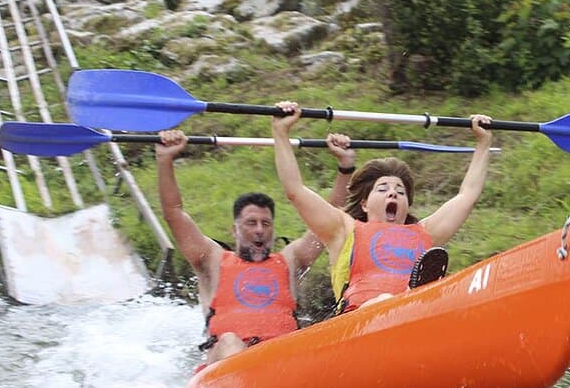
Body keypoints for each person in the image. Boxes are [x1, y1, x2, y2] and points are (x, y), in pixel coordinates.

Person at [271, 101, 493, 314]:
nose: (393, 193)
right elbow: (295, 190)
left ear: (406, 205)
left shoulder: (426, 233)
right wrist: (280, 132)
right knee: (386, 300)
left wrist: (483, 143)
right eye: (383, 188)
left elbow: (467, 196)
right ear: (365, 204)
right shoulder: (343, 230)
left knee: (426, 300)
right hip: (357, 319)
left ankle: (416, 298)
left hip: (413, 315)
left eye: (400, 191)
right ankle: (410, 297)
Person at [156, 129, 354, 366]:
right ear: (235, 230)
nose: (260, 230)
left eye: (266, 224)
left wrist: (345, 167)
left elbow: (330, 215)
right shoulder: (211, 259)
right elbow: (174, 214)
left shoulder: (292, 260)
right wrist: (165, 160)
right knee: (230, 341)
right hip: (225, 367)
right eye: (251, 223)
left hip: (279, 362)